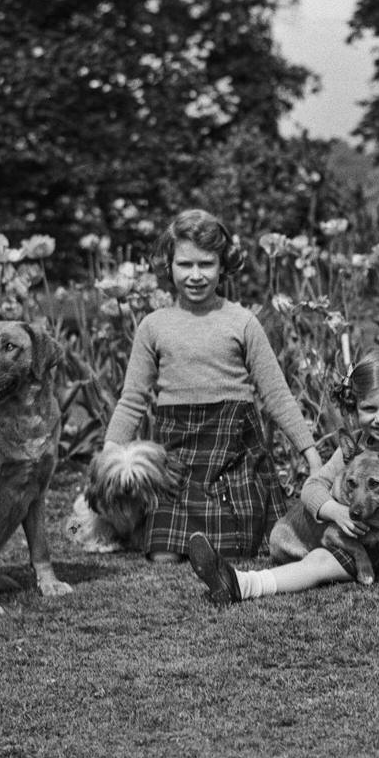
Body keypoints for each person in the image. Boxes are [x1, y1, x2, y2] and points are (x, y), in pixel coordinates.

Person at [188, 348, 379, 621]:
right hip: (375, 537)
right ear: (354, 407)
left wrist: (351, 513)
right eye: (369, 408)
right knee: (320, 560)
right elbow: (312, 486)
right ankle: (241, 583)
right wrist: (333, 510)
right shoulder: (359, 444)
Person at [103, 209, 322, 564]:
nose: (195, 275)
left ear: (223, 265)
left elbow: (276, 393)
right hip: (175, 453)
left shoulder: (242, 321)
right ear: (168, 265)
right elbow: (132, 399)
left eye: (206, 264)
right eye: (184, 264)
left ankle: (224, 535)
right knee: (163, 555)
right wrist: (109, 452)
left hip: (232, 447)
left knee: (238, 550)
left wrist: (311, 455)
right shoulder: (153, 325)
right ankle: (179, 533)